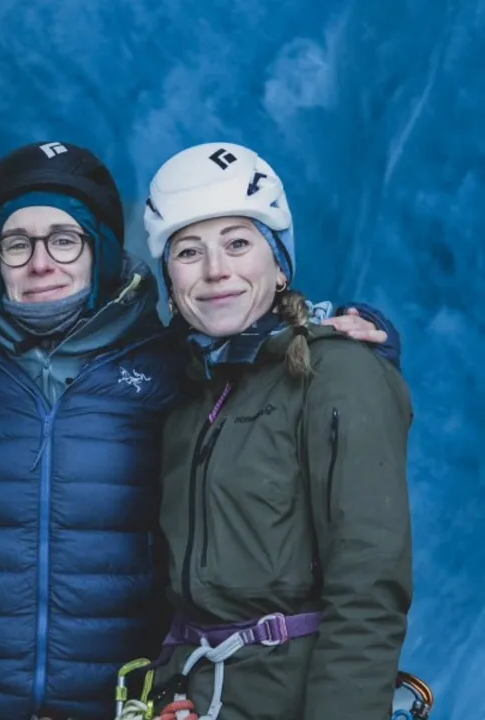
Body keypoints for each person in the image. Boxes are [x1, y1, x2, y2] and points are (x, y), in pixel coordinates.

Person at [0, 141, 400, 720]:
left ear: (100, 249)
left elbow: (366, 580)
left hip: (121, 698)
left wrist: (352, 338)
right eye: (17, 243)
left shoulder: (164, 365)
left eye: (65, 239)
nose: (41, 262)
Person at [128, 142, 412, 720]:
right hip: (195, 692)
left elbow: (369, 591)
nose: (215, 270)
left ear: (280, 264)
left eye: (238, 243)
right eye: (189, 252)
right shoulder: (188, 395)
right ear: (170, 281)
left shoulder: (338, 374)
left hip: (293, 697)